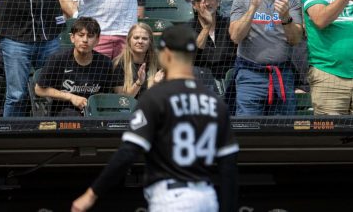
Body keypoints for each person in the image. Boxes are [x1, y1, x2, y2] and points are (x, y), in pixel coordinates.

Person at [71, 25, 239, 212]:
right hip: (207, 197)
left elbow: (128, 153)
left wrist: (92, 194)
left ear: (166, 54)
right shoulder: (215, 101)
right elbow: (229, 167)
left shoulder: (156, 97)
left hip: (170, 198)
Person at [229, 0, 303, 116]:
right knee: (247, 130)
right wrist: (253, 7)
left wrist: (285, 18)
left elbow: (295, 39)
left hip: (281, 75)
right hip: (250, 76)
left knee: (283, 132)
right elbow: (235, 37)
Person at [35, 17, 123, 116]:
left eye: (90, 36)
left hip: (95, 115)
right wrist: (71, 97)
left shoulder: (104, 63)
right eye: (81, 35)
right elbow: (39, 89)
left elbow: (113, 95)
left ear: (97, 40)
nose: (85, 40)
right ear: (72, 38)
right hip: (64, 113)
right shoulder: (58, 59)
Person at [190, 0, 236, 80]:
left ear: (218, 1)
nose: (206, 3)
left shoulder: (229, 23)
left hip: (231, 81)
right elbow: (191, 58)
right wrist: (207, 27)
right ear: (194, 5)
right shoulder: (187, 28)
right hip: (201, 82)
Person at [112, 23, 164, 98]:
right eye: (136, 38)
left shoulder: (159, 63)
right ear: (129, 40)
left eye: (144, 38)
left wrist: (155, 84)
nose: (140, 41)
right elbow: (122, 101)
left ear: (150, 42)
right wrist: (138, 83)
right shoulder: (119, 64)